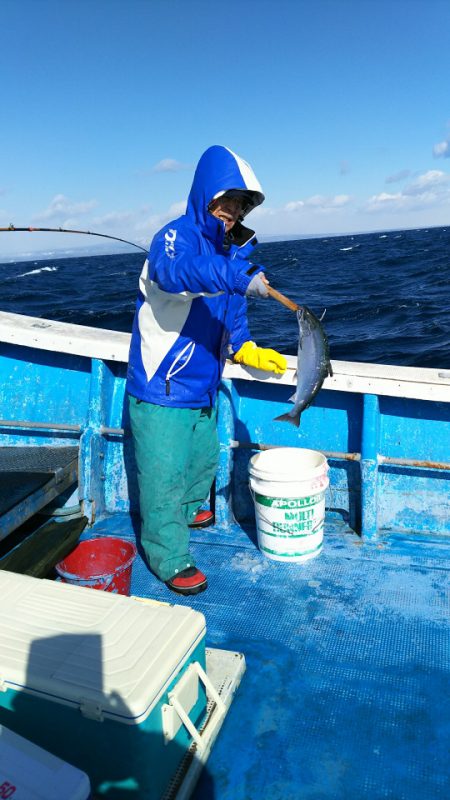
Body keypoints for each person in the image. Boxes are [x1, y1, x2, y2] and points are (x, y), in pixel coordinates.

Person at [126, 145, 286, 595]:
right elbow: (177, 272)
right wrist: (235, 273)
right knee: (163, 475)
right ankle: (168, 556)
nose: (231, 213)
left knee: (200, 461)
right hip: (163, 387)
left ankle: (195, 506)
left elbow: (231, 316)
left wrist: (246, 347)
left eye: (239, 206)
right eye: (225, 202)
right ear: (204, 196)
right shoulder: (174, 238)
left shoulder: (232, 255)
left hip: (204, 385)